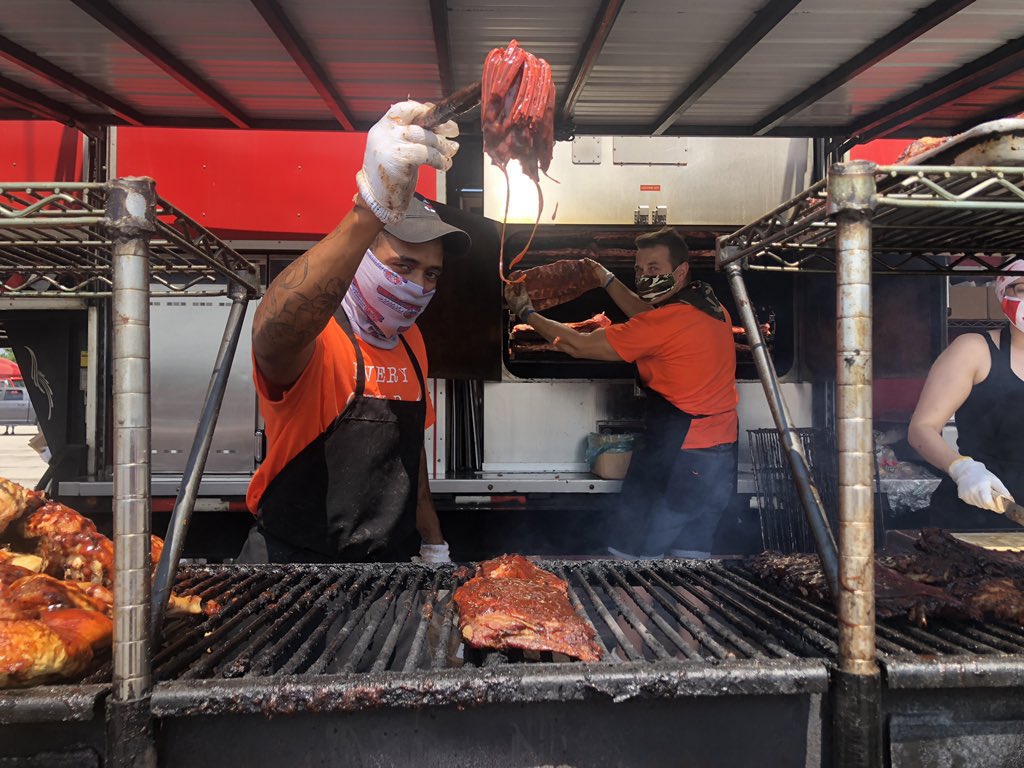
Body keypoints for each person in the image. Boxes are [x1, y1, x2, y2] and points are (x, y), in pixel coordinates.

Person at [239, 101, 470, 564]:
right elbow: (273, 329)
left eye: (432, 274)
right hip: (293, 569)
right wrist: (369, 212)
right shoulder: (321, 335)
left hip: (383, 572)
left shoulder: (411, 342)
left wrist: (433, 539)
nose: (419, 286)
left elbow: (410, 457)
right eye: (403, 265)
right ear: (363, 257)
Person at [504, 227, 739, 558]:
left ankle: (638, 606)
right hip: (721, 452)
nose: (644, 277)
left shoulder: (666, 323)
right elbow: (648, 317)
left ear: (682, 270)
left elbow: (577, 345)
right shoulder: (710, 309)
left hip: (681, 453)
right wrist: (605, 278)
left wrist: (527, 312)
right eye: (639, 269)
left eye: (654, 269)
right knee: (693, 556)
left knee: (634, 554)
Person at [909, 262, 1024, 529]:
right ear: (1004, 293)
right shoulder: (973, 350)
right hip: (976, 513)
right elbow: (922, 429)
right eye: (1022, 289)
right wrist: (962, 469)